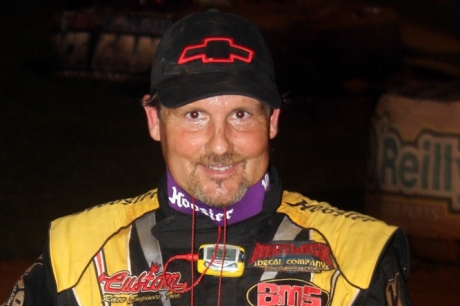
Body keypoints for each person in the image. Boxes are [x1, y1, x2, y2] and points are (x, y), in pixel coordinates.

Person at [3, 10, 412, 306]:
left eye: (240, 115)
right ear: (154, 121)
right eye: (194, 116)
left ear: (272, 121)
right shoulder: (76, 255)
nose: (219, 145)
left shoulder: (360, 261)